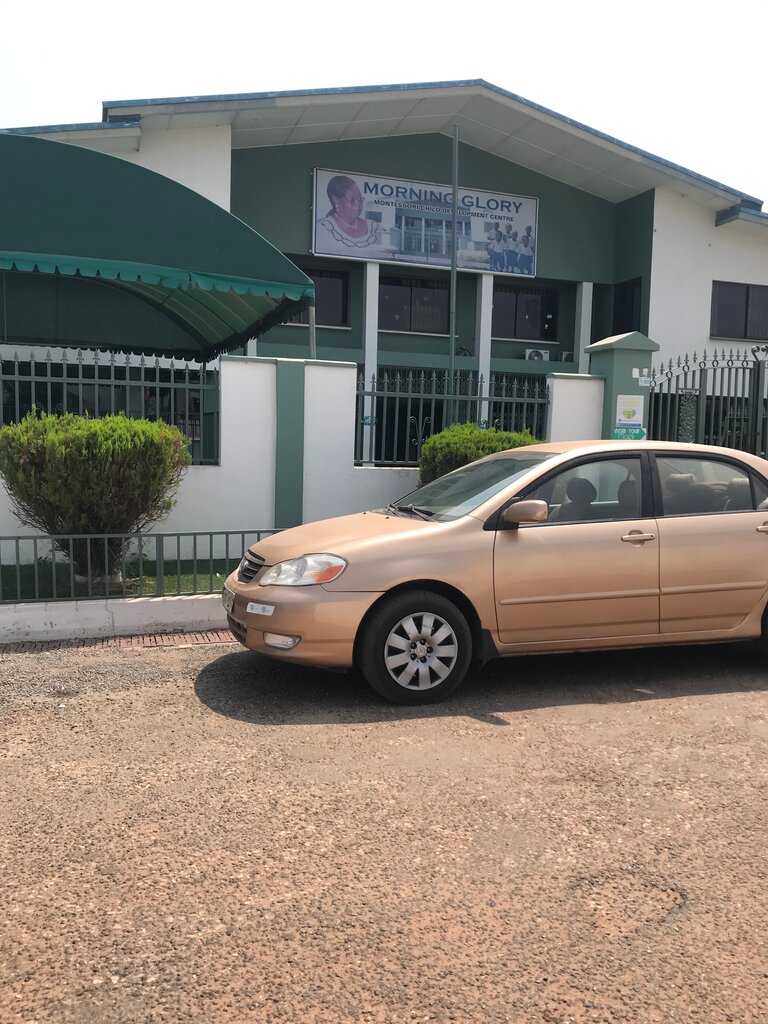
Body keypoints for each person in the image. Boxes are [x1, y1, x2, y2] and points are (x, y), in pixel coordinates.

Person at [315, 175, 379, 252]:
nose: (358, 204)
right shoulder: (323, 229)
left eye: (360, 199)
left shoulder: (374, 227)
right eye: (352, 199)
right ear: (335, 200)